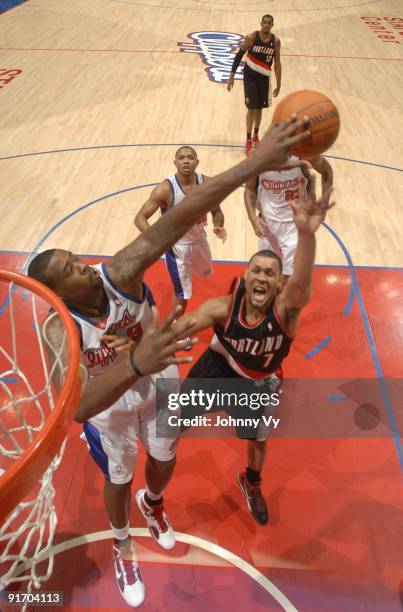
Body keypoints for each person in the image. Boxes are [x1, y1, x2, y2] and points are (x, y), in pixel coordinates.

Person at [27, 116, 311, 607]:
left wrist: (252, 166)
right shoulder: (60, 329)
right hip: (110, 404)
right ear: (57, 293)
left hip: (156, 372)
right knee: (118, 476)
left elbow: (180, 217)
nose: (85, 268)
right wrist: (134, 361)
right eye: (72, 270)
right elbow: (76, 405)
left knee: (164, 459)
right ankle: (121, 543)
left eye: (77, 258)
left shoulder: (117, 270)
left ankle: (153, 505)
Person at [172, 175, 333, 526]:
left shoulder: (286, 311)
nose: (262, 277)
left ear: (279, 283)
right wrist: (136, 346)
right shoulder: (223, 306)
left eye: (270, 273)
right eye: (256, 270)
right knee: (172, 424)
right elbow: (179, 328)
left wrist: (306, 235)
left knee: (257, 442)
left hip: (256, 384)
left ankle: (251, 482)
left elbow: (303, 286)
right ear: (246, 275)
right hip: (215, 370)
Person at [134, 146, 227, 315]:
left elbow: (217, 210)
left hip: (199, 238)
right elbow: (140, 218)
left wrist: (218, 224)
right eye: (182, 158)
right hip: (177, 247)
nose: (186, 161)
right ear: (175, 162)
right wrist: (156, 240)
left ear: (197, 162)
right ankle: (175, 330)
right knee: (183, 294)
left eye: (190, 157)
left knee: (204, 275)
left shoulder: (207, 183)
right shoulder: (165, 189)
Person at [245, 153, 333, 281]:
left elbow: (327, 171)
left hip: (295, 224)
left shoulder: (306, 154)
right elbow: (249, 189)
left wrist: (324, 205)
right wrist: (252, 216)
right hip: (267, 224)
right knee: (267, 273)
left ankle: (285, 297)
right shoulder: (259, 158)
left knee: (290, 277)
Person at [227, 14, 281, 156]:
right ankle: (248, 139)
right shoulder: (251, 37)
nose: (267, 25)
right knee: (251, 108)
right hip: (250, 77)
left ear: (272, 25)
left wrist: (279, 83)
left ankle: (256, 135)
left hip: (264, 77)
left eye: (269, 23)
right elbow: (239, 55)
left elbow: (277, 64)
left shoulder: (276, 41)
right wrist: (231, 76)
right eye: (265, 22)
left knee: (259, 109)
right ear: (261, 23)